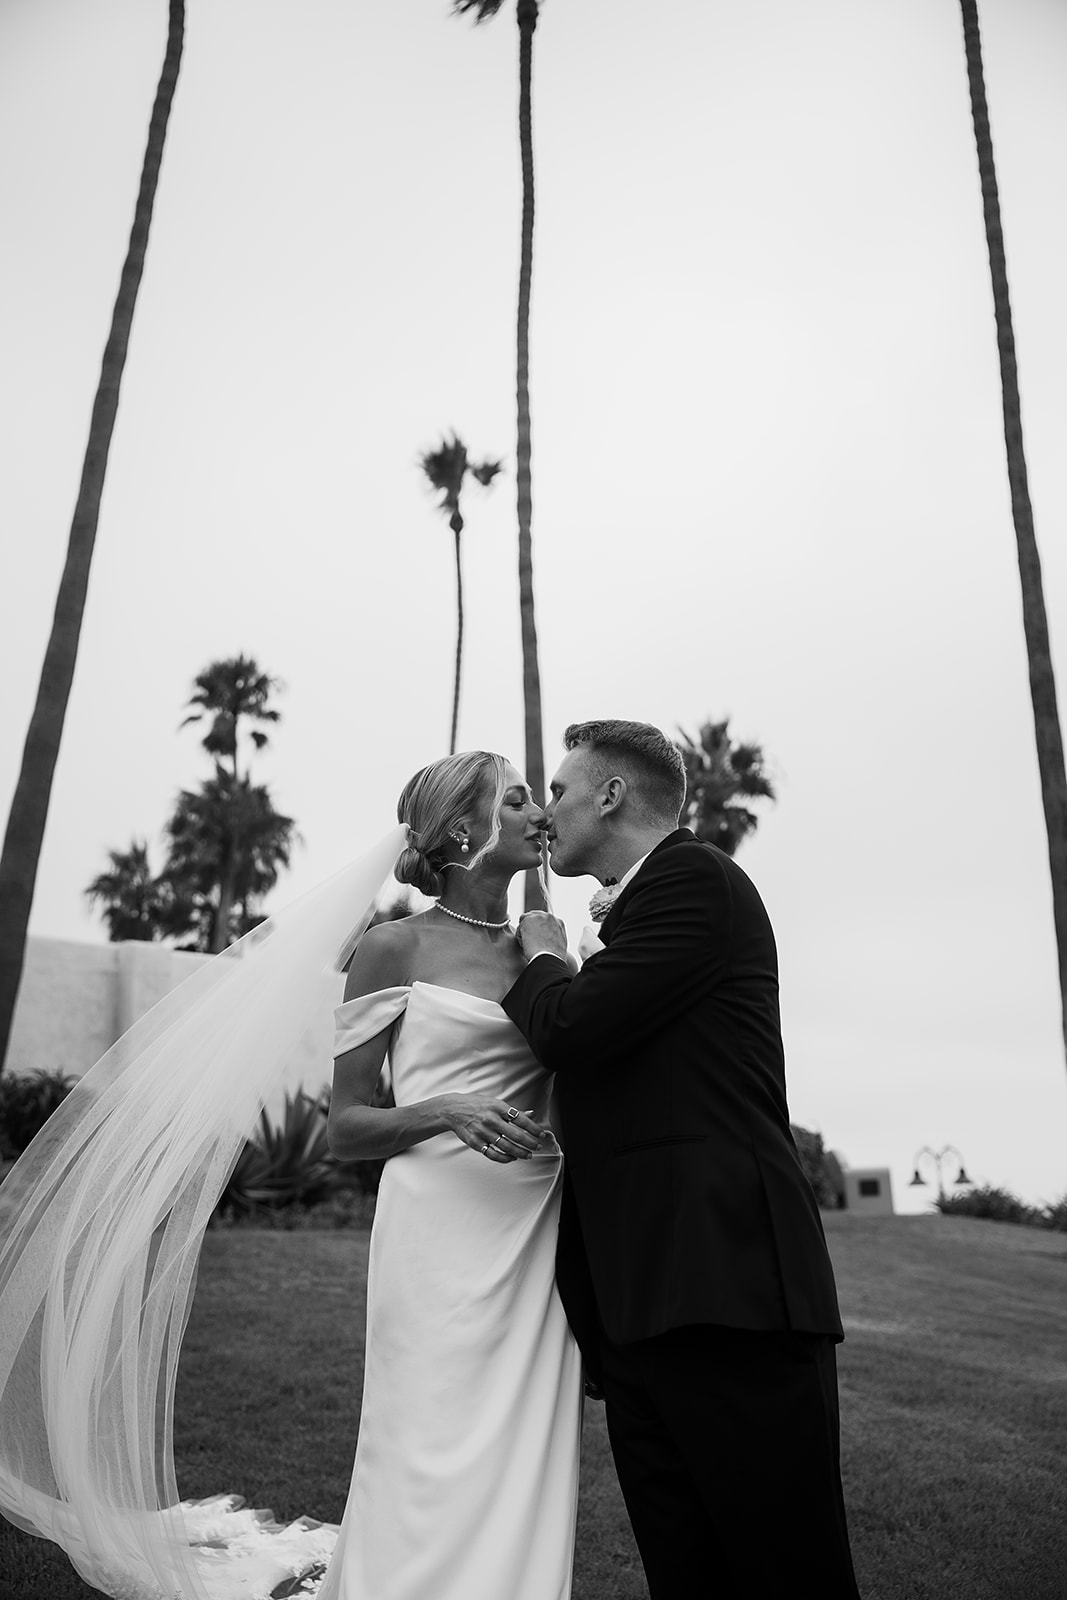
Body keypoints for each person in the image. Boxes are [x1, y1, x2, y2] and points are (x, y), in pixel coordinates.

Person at [0, 750, 582, 1600]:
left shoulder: (546, 948)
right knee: (424, 1425)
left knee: (526, 1432)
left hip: (534, 1224)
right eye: (520, 797)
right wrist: (444, 1110)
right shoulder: (393, 947)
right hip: (439, 1228)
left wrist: (553, 963)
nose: (542, 812)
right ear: (464, 826)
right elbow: (346, 1127)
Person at [501, 719, 862, 1600]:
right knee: (688, 1574)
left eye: (558, 789)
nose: (546, 811)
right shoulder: (648, 906)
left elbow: (571, 1031)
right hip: (647, 1310)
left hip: (728, 1295)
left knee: (784, 1572)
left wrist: (545, 956)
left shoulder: (695, 880)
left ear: (611, 794)